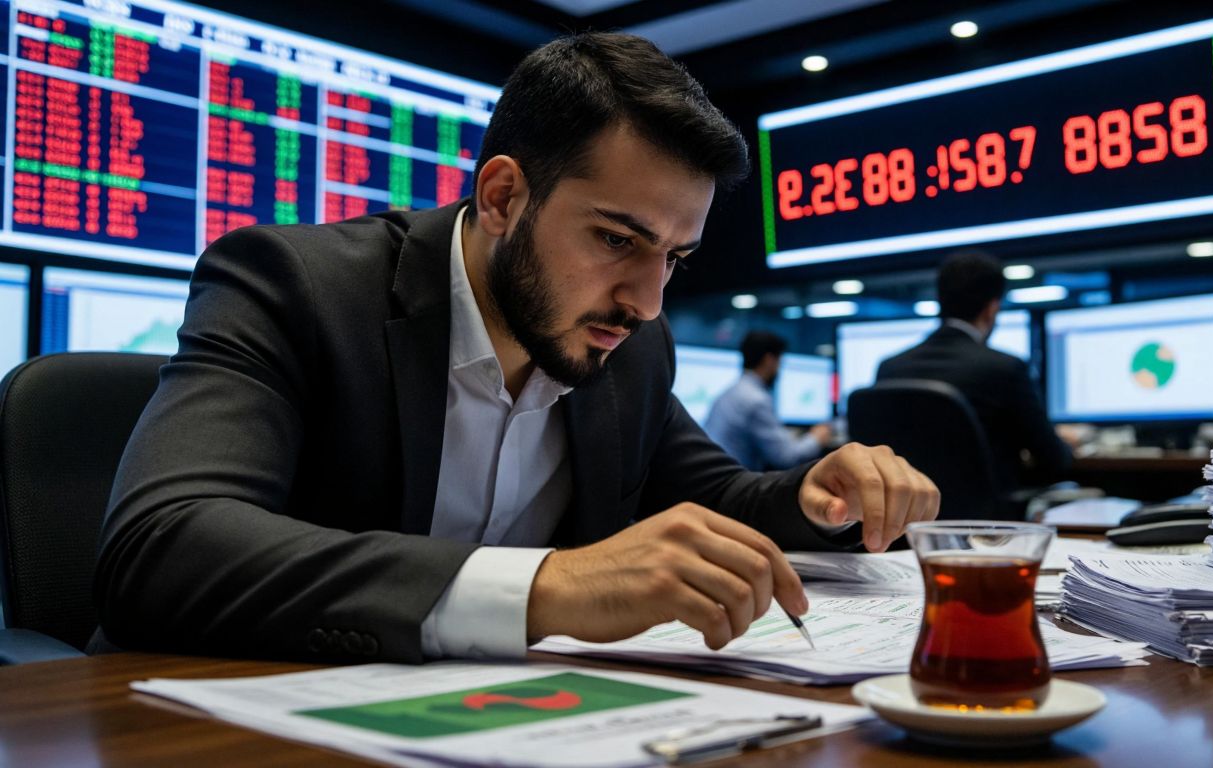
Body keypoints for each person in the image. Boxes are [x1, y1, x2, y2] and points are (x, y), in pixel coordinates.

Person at [93, 32, 938, 664]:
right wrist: (547, 587)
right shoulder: (295, 285)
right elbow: (162, 545)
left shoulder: (630, 346)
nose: (648, 302)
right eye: (616, 239)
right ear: (502, 196)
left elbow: (719, 499)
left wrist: (820, 498)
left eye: (673, 259)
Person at [875, 251, 1070, 497]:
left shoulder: (890, 368)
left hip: (908, 521)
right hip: (986, 524)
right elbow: (1053, 460)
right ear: (992, 309)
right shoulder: (1006, 369)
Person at [704, 331, 833, 471]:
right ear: (769, 360)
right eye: (779, 362)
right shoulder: (756, 400)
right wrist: (816, 438)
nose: (779, 369)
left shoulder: (728, 393)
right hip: (734, 485)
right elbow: (786, 458)